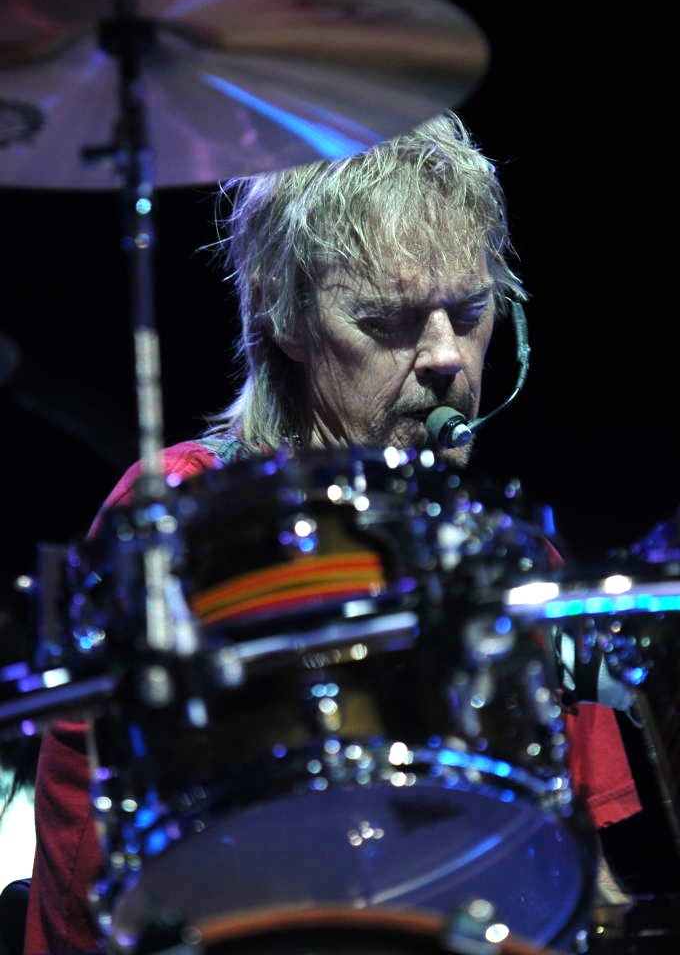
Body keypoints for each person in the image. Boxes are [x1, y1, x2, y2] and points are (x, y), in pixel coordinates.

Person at [24, 112, 641, 954]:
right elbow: (102, 895)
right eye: (387, 320)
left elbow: (583, 880)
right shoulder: (182, 521)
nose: (446, 357)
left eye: (469, 311)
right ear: (284, 315)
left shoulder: (508, 556)